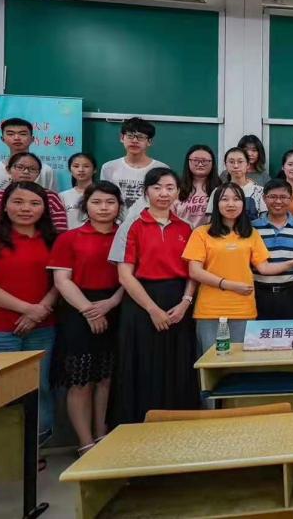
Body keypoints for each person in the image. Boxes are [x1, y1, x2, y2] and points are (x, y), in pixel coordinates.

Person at [0, 181, 59, 441]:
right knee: (2, 390)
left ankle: (35, 448)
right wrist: (29, 310)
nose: (26, 208)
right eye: (18, 202)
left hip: (43, 328)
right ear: (5, 206)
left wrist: (40, 312)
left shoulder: (53, 241)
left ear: (44, 208)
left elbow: (60, 283)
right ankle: (6, 450)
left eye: (34, 203)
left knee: (39, 387)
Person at [113, 168, 199, 425]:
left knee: (178, 365)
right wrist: (152, 309)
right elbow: (125, 276)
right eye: (157, 187)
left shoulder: (186, 227)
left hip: (178, 303)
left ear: (178, 192)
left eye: (170, 188)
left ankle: (178, 427)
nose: (164, 193)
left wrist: (185, 303)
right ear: (146, 191)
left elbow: (193, 271)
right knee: (143, 366)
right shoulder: (132, 225)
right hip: (142, 303)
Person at [184, 183, 293, 353]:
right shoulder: (201, 233)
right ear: (216, 204)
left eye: (236, 199)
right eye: (224, 199)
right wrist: (229, 285)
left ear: (243, 203)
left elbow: (264, 268)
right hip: (209, 309)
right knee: (210, 360)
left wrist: (292, 263)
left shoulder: (250, 233)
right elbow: (194, 271)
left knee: (241, 360)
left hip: (243, 307)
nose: (231, 204)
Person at [48, 181, 123, 455]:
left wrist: (111, 303)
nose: (104, 208)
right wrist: (89, 311)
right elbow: (62, 281)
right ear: (85, 205)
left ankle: (102, 435)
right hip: (77, 308)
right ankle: (85, 442)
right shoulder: (69, 238)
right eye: (96, 202)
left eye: (110, 202)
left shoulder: (125, 236)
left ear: (119, 206)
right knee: (80, 380)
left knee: (105, 378)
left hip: (116, 306)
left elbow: (131, 276)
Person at [252, 180, 293, 319]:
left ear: (291, 199)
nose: (278, 201)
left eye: (283, 197)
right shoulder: (252, 227)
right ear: (264, 198)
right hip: (259, 294)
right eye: (272, 197)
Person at [0, 152, 69, 232]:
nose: (26, 172)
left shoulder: (51, 197)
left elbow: (60, 232)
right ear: (8, 169)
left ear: (38, 173)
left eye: (32, 169)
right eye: (20, 167)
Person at [0, 117, 57, 204]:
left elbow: (52, 203)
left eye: (23, 134)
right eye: (10, 134)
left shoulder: (46, 170)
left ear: (32, 139)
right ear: (2, 139)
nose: (16, 138)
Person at [99, 117, 168, 210]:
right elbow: (105, 198)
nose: (134, 140)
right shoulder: (109, 167)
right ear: (122, 138)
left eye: (140, 137)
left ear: (149, 142)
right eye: (130, 136)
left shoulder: (162, 169)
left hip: (149, 218)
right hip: (117, 218)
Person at [208, 147, 266, 221]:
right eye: (231, 162)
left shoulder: (260, 191)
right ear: (226, 165)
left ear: (248, 164)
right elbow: (211, 219)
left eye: (240, 161)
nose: (236, 166)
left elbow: (264, 219)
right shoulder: (217, 191)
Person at [175, 144, 221, 229]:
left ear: (212, 163)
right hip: (181, 235)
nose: (200, 164)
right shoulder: (176, 187)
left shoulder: (220, 187)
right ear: (188, 162)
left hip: (210, 235)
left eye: (205, 161)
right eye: (195, 160)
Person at [59, 152, 97, 229]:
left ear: (94, 170)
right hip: (70, 235)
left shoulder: (103, 194)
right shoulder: (62, 196)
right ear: (70, 170)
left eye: (86, 166)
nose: (81, 170)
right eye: (76, 166)